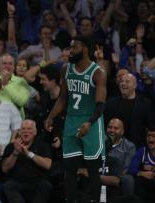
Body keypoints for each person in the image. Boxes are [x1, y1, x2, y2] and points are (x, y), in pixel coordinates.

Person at [45, 35, 107, 203]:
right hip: (72, 120)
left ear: (86, 49)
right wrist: (51, 116)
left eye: (74, 47)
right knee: (70, 169)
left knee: (92, 170)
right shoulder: (66, 69)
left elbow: (101, 104)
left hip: (92, 122)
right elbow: (63, 98)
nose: (70, 51)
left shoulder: (98, 73)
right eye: (70, 47)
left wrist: (90, 122)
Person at [2, 120, 52, 203]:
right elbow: (4, 169)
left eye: (29, 129)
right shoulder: (11, 147)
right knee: (8, 185)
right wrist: (15, 153)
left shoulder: (42, 145)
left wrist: (29, 154)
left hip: (37, 183)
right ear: (19, 132)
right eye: (23, 129)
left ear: (35, 132)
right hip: (16, 183)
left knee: (46, 185)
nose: (26, 132)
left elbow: (47, 165)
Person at [127, 127, 155, 203]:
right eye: (148, 136)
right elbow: (131, 169)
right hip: (146, 183)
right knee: (139, 180)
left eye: (153, 136)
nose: (150, 138)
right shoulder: (142, 151)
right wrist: (142, 173)